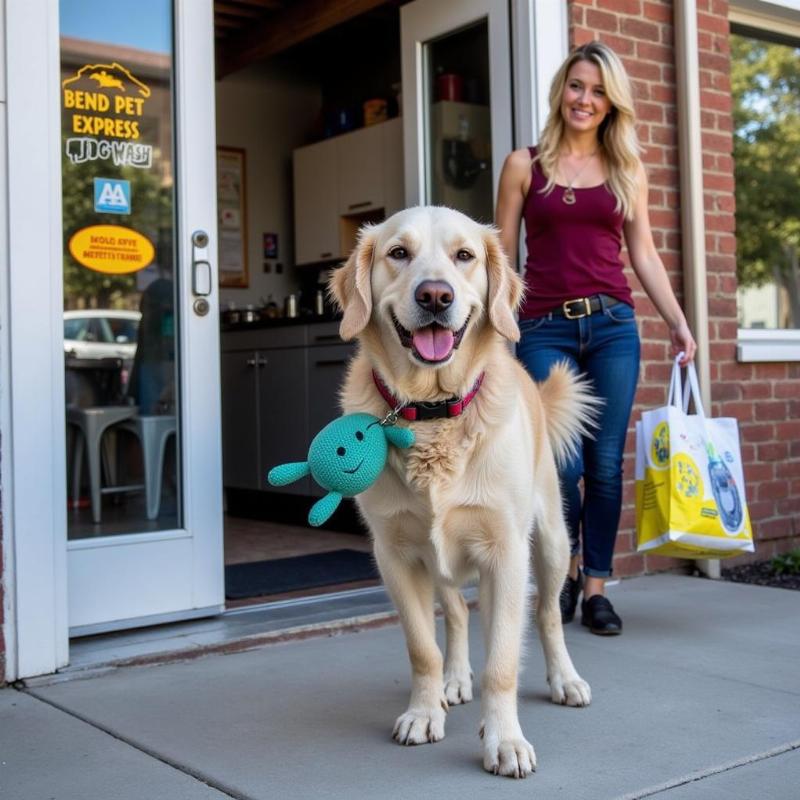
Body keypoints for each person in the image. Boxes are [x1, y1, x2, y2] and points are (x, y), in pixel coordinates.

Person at [495, 40, 697, 635]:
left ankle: (596, 589)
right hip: (542, 327)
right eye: (578, 86)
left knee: (605, 466)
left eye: (599, 91)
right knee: (556, 466)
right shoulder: (522, 165)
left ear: (613, 104)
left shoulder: (625, 170)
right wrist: (492, 327)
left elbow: (644, 254)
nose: (585, 99)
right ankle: (560, 572)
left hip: (612, 328)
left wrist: (679, 321)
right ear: (562, 90)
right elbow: (502, 256)